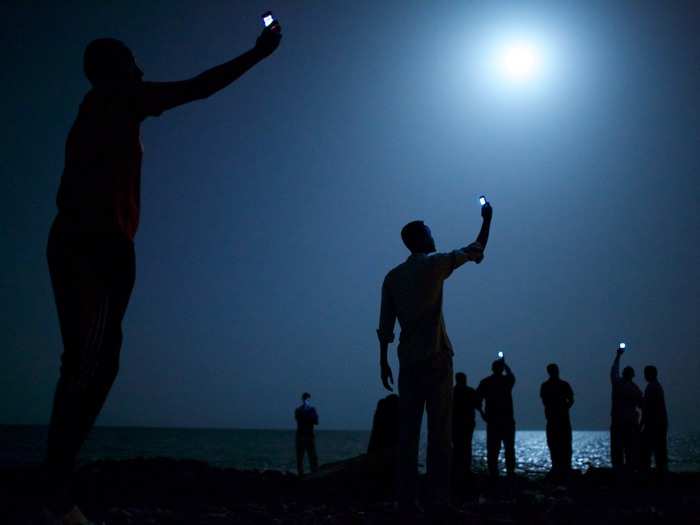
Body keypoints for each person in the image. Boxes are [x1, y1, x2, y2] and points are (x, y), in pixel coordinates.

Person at [43, 26, 282, 524]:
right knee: (89, 362)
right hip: (94, 243)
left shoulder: (101, 109)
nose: (142, 67)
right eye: (132, 60)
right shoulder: (113, 100)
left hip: (90, 242)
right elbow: (197, 87)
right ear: (113, 70)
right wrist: (256, 55)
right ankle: (55, 489)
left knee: (93, 361)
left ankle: (57, 480)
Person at [376, 199, 492, 520]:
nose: (432, 235)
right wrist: (487, 218)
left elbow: (385, 327)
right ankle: (438, 499)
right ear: (419, 240)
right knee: (441, 434)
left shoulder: (393, 277)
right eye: (428, 232)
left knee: (408, 435)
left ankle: (406, 501)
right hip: (437, 358)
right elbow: (477, 248)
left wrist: (383, 361)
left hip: (408, 363)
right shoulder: (435, 264)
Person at [477, 356, 516, 477]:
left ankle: (493, 473)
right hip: (506, 420)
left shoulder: (486, 382)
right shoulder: (506, 381)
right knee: (509, 448)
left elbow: (477, 399)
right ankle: (510, 473)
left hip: (493, 420)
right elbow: (511, 375)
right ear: (501, 368)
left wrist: (483, 413)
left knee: (493, 449)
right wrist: (505, 364)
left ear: (492, 369)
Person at [610, 347, 643, 472]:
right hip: (631, 423)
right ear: (632, 376)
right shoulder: (635, 388)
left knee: (617, 450)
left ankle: (618, 471)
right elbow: (642, 405)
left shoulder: (617, 384)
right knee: (630, 450)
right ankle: (630, 470)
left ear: (624, 374)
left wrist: (618, 356)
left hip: (618, 422)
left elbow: (613, 370)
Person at [539, 363, 574, 478]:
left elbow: (571, 399)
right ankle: (558, 467)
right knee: (556, 444)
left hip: (559, 419)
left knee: (562, 444)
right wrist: (564, 408)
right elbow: (571, 400)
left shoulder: (549, 385)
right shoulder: (555, 385)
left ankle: (563, 468)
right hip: (555, 419)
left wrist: (563, 408)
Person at [452, 372, 482, 480]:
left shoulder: (452, 391)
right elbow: (478, 405)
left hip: (455, 423)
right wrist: (483, 414)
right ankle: (465, 469)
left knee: (456, 446)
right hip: (467, 423)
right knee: (466, 446)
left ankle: (456, 469)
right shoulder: (470, 391)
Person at [640, 365, 668, 475]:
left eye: (646, 373)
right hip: (660, 423)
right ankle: (662, 471)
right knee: (660, 450)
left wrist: (642, 423)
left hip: (653, 424)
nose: (644, 376)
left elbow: (647, 409)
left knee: (647, 450)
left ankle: (650, 472)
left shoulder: (651, 388)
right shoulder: (657, 387)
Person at [294, 392, 319, 476]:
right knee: (300, 457)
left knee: (312, 456)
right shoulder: (298, 410)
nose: (306, 401)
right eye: (305, 399)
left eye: (308, 399)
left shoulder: (312, 409)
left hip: (309, 435)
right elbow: (299, 419)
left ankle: (314, 472)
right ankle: (300, 473)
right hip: (301, 436)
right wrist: (308, 415)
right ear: (303, 400)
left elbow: (316, 421)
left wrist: (308, 414)